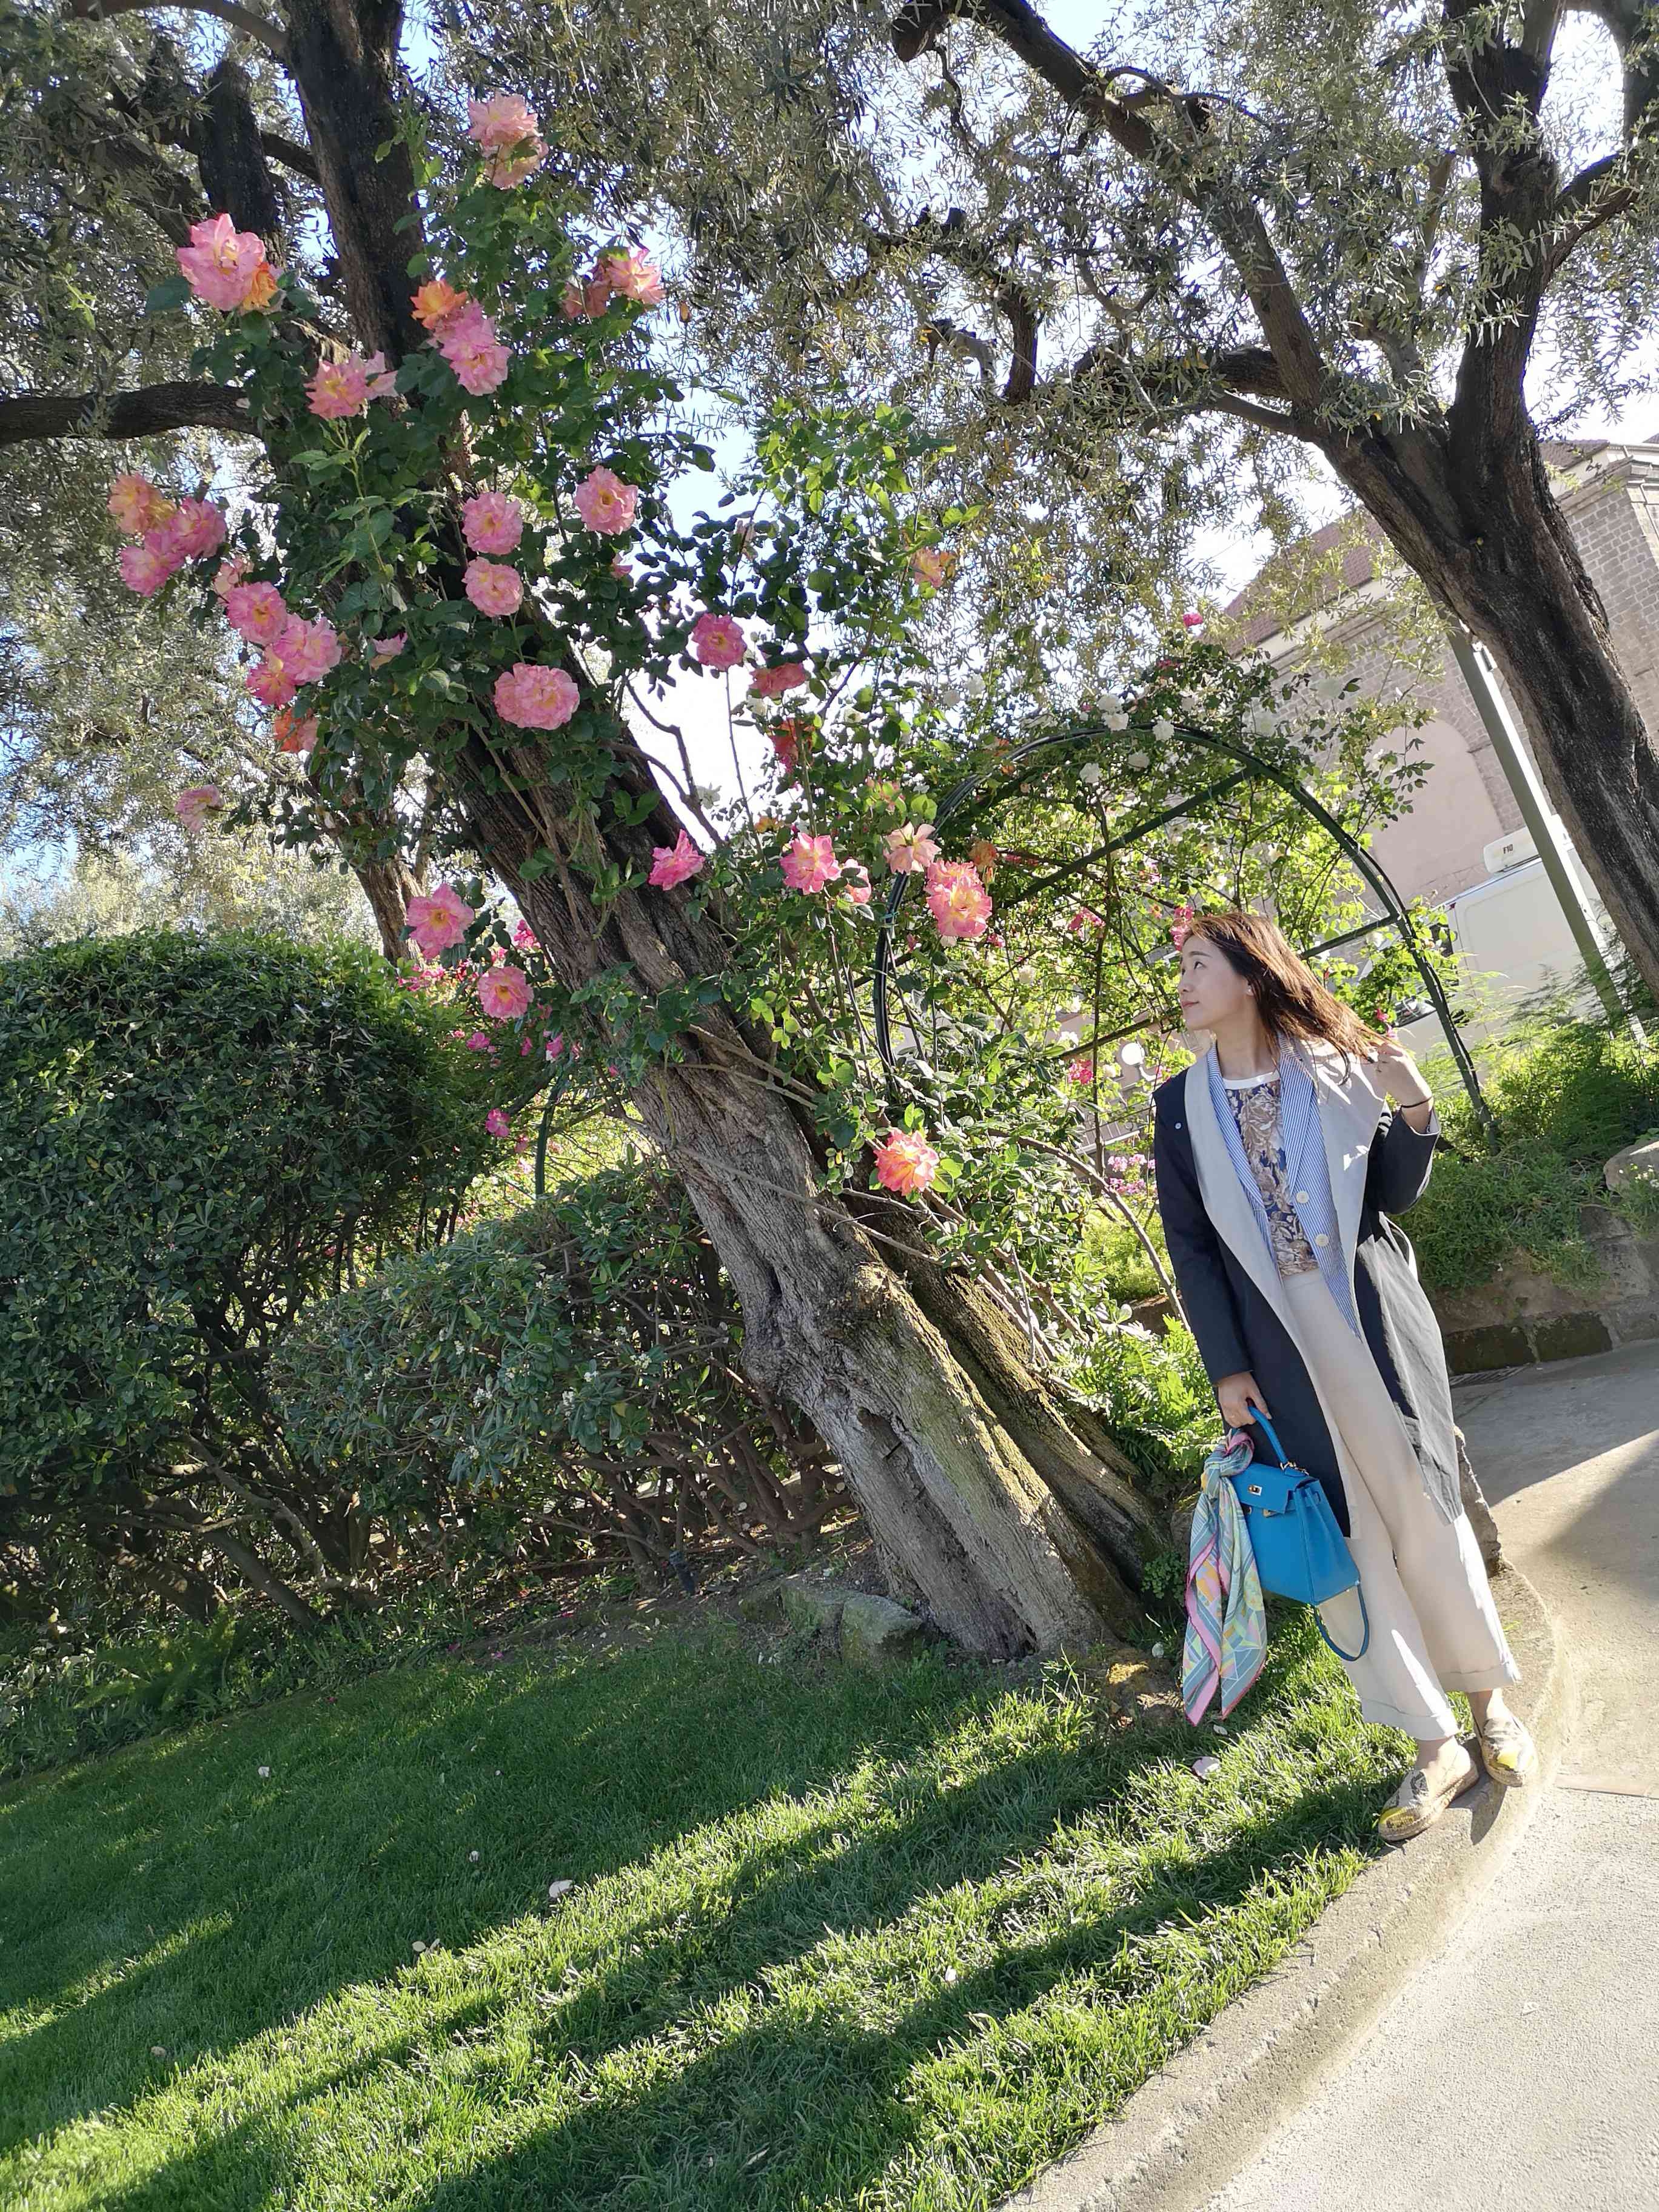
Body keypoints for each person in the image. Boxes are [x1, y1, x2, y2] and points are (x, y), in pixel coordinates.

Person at [1150, 909, 1538, 1842]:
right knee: (1349, 1537)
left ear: (1250, 976)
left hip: (1369, 1320)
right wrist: (1226, 1368)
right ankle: (1431, 1742)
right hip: (1275, 1343)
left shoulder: (1333, 1063)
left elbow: (1393, 1195)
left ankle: (1489, 1707)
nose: (1183, 984)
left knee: (1420, 1506)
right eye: (1182, 969)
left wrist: (1414, 1109)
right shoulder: (1178, 1104)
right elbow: (1192, 1248)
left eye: (1200, 965)